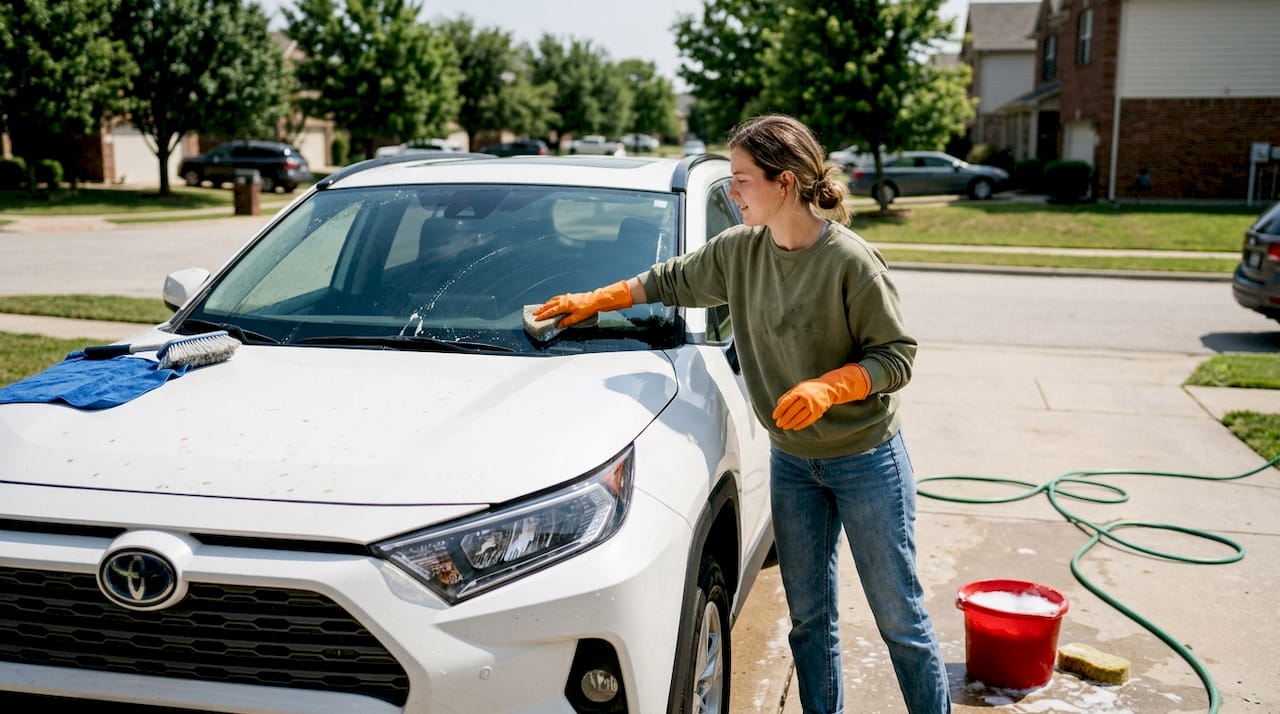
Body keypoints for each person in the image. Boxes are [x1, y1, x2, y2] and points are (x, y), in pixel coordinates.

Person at [533, 113, 951, 713]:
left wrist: (833, 387)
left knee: (900, 619)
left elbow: (897, 357)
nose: (733, 193)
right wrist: (595, 299)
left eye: (742, 179)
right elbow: (669, 281)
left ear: (784, 183)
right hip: (794, 463)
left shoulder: (851, 263)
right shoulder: (739, 252)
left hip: (866, 461)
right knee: (809, 621)